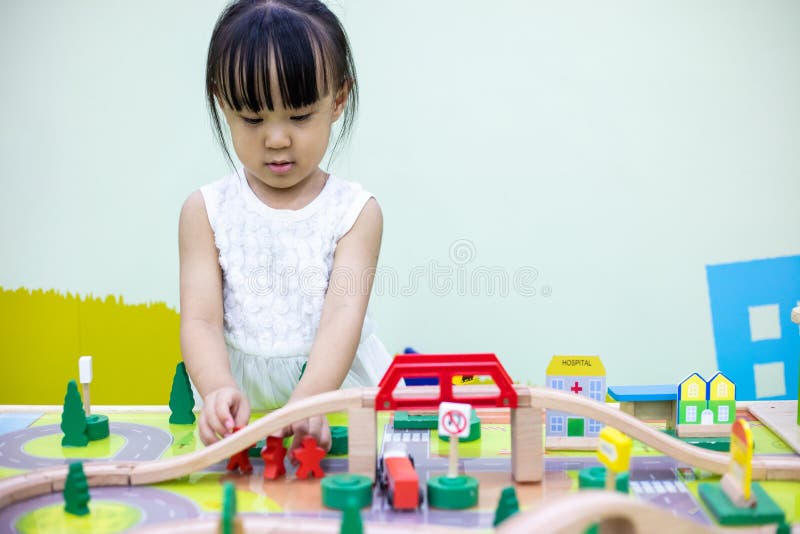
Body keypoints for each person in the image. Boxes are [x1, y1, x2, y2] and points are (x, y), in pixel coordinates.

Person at [178, 0, 391, 453]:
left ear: (337, 100)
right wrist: (216, 388)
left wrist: (310, 401)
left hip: (328, 391)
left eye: (299, 116)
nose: (276, 138)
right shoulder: (204, 211)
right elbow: (200, 320)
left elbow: (342, 317)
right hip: (241, 399)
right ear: (222, 102)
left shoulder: (356, 213)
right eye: (253, 119)